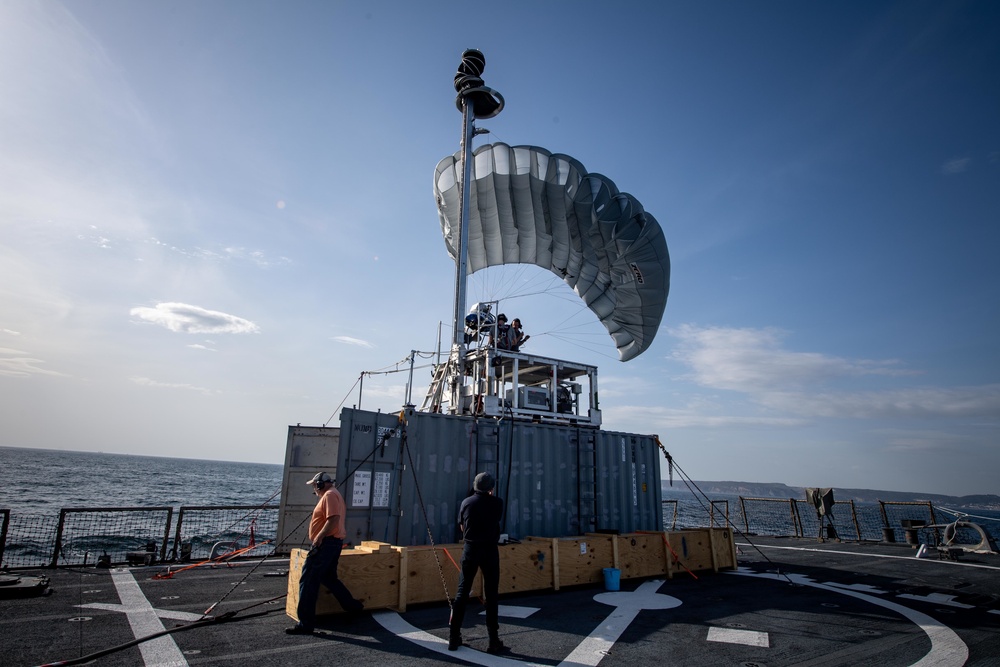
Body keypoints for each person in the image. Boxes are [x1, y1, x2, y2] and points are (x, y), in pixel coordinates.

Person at [286, 471, 364, 635]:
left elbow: (333, 519)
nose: (314, 489)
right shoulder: (333, 495)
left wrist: (319, 537)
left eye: (315, 485)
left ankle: (306, 624)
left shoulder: (329, 495)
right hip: (332, 543)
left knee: (308, 582)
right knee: (329, 578)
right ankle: (354, 607)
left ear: (321, 484)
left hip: (326, 543)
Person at [449, 472, 505, 654]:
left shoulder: (466, 503)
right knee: (491, 594)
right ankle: (493, 640)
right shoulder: (497, 503)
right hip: (489, 550)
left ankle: (454, 636)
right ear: (491, 488)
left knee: (462, 593)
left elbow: (462, 527)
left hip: (470, 549)